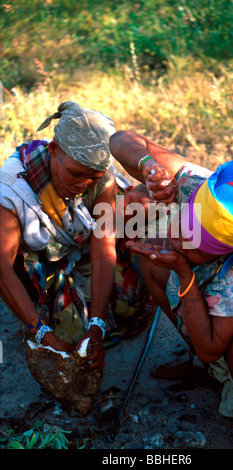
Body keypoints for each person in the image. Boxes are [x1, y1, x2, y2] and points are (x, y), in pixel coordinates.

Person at [109, 129, 233, 449]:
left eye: (192, 245)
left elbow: (212, 345)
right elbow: (119, 140)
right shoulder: (207, 189)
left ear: (222, 252)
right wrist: (150, 168)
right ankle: (207, 370)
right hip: (223, 340)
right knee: (155, 261)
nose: (178, 238)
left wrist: (184, 273)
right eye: (181, 225)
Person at [0, 101, 118, 373]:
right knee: (67, 346)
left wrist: (97, 323)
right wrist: (41, 333)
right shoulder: (12, 186)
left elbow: (104, 247)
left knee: (126, 305)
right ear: (53, 149)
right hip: (42, 267)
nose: (83, 185)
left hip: (81, 252)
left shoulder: (102, 180)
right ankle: (35, 312)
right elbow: (2, 268)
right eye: (75, 174)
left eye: (93, 178)